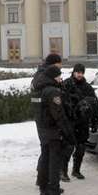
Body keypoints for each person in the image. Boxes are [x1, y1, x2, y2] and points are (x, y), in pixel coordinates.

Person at [31, 65, 75, 195]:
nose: (60, 78)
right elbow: (59, 115)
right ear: (53, 77)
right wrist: (69, 133)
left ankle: (44, 190)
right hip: (54, 132)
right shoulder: (52, 92)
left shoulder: (38, 89)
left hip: (43, 130)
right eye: (58, 76)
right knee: (54, 164)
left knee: (45, 160)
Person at [61, 64, 98, 180]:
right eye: (77, 72)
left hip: (83, 122)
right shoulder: (67, 84)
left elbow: (95, 104)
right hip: (70, 121)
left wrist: (95, 121)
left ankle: (76, 170)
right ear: (73, 72)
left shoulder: (87, 87)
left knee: (81, 147)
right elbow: (62, 103)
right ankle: (63, 171)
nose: (79, 74)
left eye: (81, 72)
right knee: (68, 147)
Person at [35, 54, 64, 187]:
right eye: (59, 64)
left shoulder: (40, 76)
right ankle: (48, 184)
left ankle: (43, 182)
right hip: (49, 121)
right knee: (49, 154)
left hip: (42, 120)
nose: (61, 67)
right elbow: (52, 104)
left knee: (45, 152)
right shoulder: (47, 79)